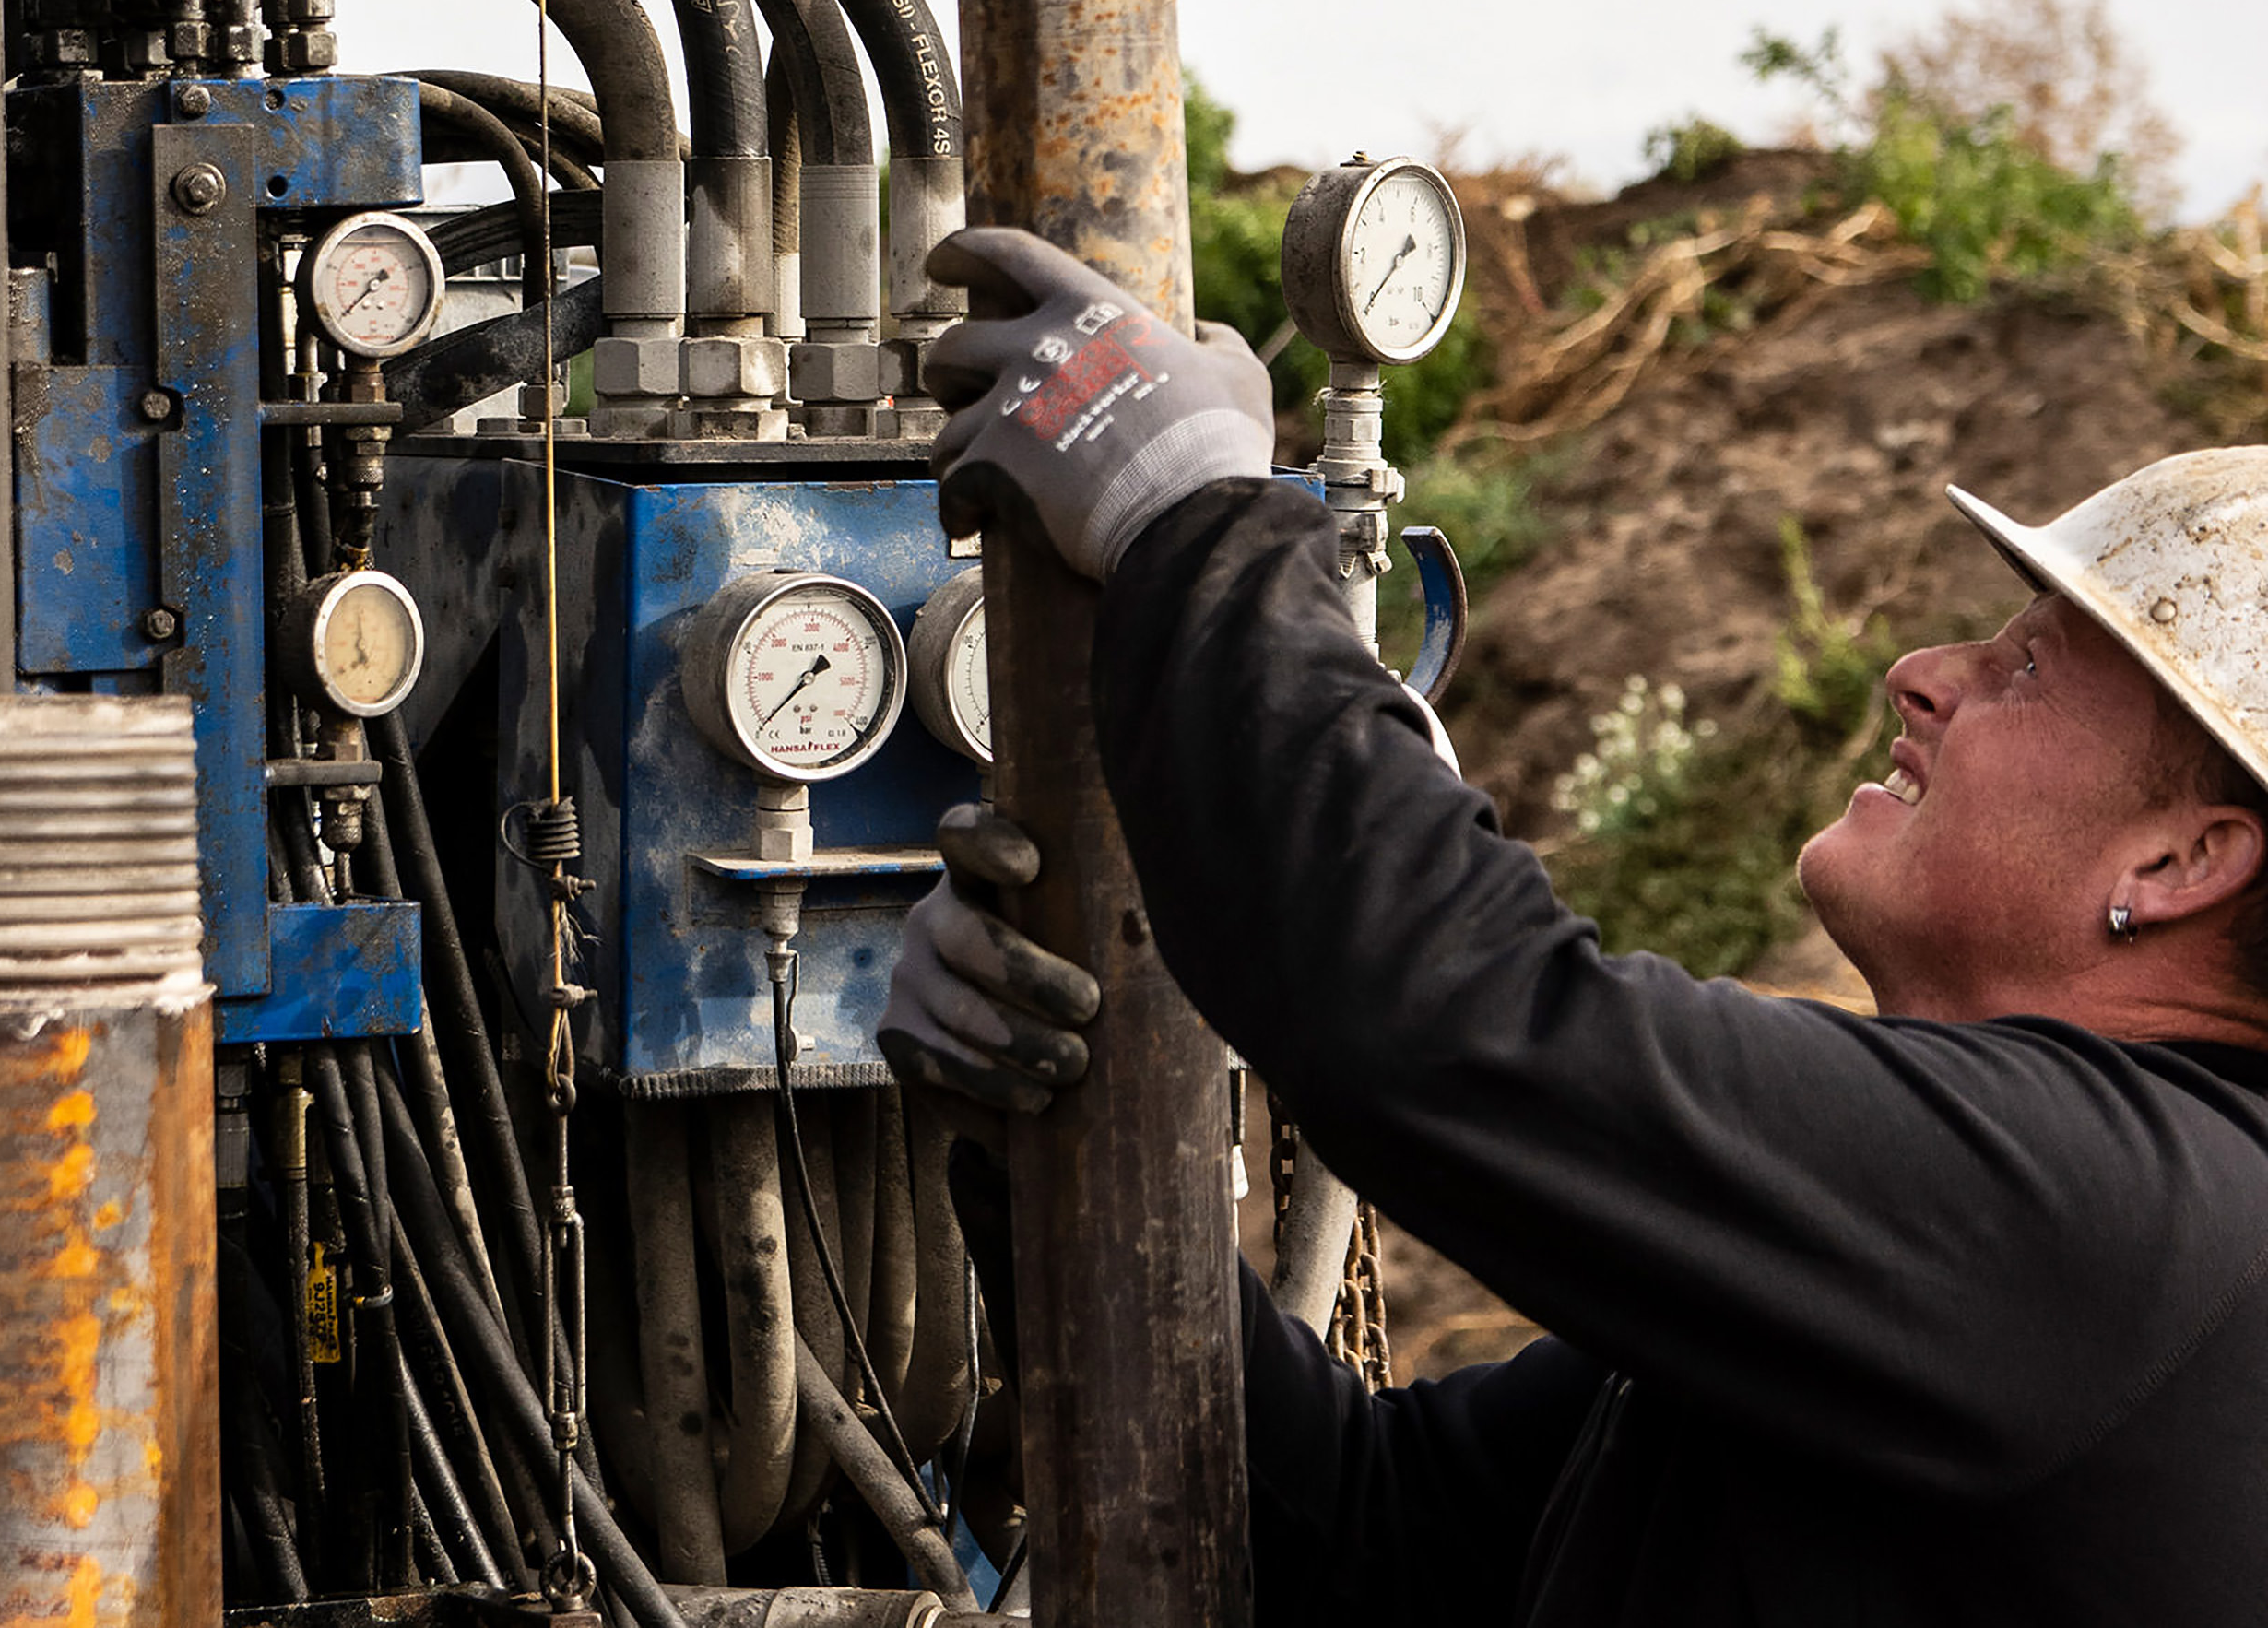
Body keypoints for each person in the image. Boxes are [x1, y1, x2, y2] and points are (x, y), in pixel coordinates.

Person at [878, 225, 2268, 1626]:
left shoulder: (2139, 1234)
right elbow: (1370, 1535)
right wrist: (1048, 1141)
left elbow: (1453, 1019)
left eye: (2025, 667)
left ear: (2185, 856)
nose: (1921, 674)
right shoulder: (1998, 1261)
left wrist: (1189, 511)